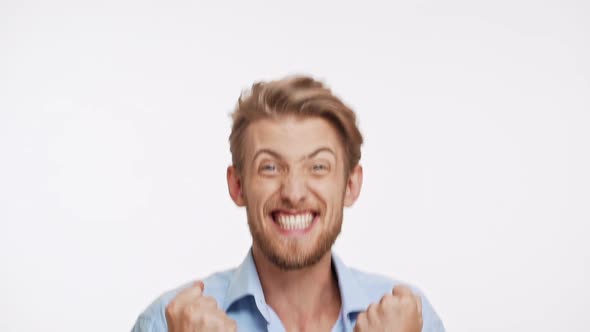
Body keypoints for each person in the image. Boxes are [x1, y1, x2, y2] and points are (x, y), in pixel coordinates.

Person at [132, 75, 445, 332]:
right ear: (238, 186)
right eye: (270, 167)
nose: (294, 193)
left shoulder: (414, 322)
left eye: (318, 167)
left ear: (350, 185)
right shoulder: (165, 323)